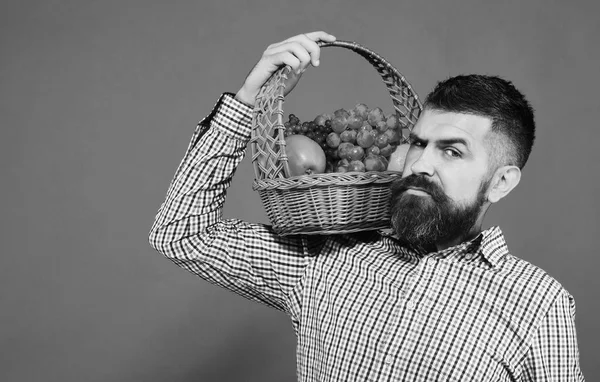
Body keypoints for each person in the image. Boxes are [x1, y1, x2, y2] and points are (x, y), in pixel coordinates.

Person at [148, 31, 584, 381]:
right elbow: (181, 233)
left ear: (502, 182)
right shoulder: (325, 260)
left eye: (452, 152)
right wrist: (247, 101)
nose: (421, 164)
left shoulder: (538, 305)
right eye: (418, 143)